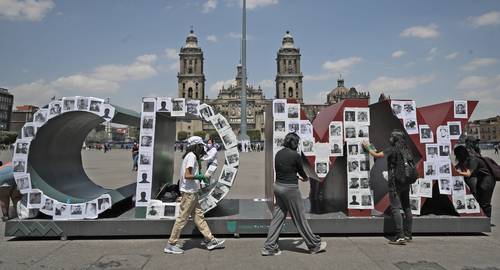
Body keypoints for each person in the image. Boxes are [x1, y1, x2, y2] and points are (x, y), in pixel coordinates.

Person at [261, 133, 326, 256]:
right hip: (290, 189)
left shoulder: (279, 154)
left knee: (278, 217)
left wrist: (294, 175)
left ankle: (269, 247)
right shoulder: (295, 156)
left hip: (278, 187)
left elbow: (283, 170)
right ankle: (314, 245)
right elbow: (302, 172)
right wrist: (305, 178)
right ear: (295, 143)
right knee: (300, 218)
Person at [164, 136, 225, 254]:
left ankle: (210, 240)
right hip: (189, 193)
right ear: (197, 146)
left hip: (192, 191)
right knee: (182, 218)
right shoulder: (191, 156)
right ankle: (171, 244)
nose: (203, 148)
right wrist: (201, 177)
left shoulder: (189, 156)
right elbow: (187, 175)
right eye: (201, 146)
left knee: (199, 217)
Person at [363, 129, 413, 245]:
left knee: (395, 208)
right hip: (406, 182)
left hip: (395, 183)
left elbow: (376, 154)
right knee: (406, 207)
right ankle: (408, 234)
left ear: (395, 139)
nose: (390, 139)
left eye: (392, 137)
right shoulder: (406, 150)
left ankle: (400, 236)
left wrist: (367, 147)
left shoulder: (392, 149)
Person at [454, 145, 496, 218]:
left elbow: (468, 174)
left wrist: (457, 173)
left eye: (456, 154)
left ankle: (487, 220)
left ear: (460, 154)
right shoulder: (463, 160)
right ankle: (482, 219)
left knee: (484, 202)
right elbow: (455, 168)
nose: (455, 156)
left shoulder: (472, 159)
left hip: (488, 179)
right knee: (478, 200)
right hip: (481, 179)